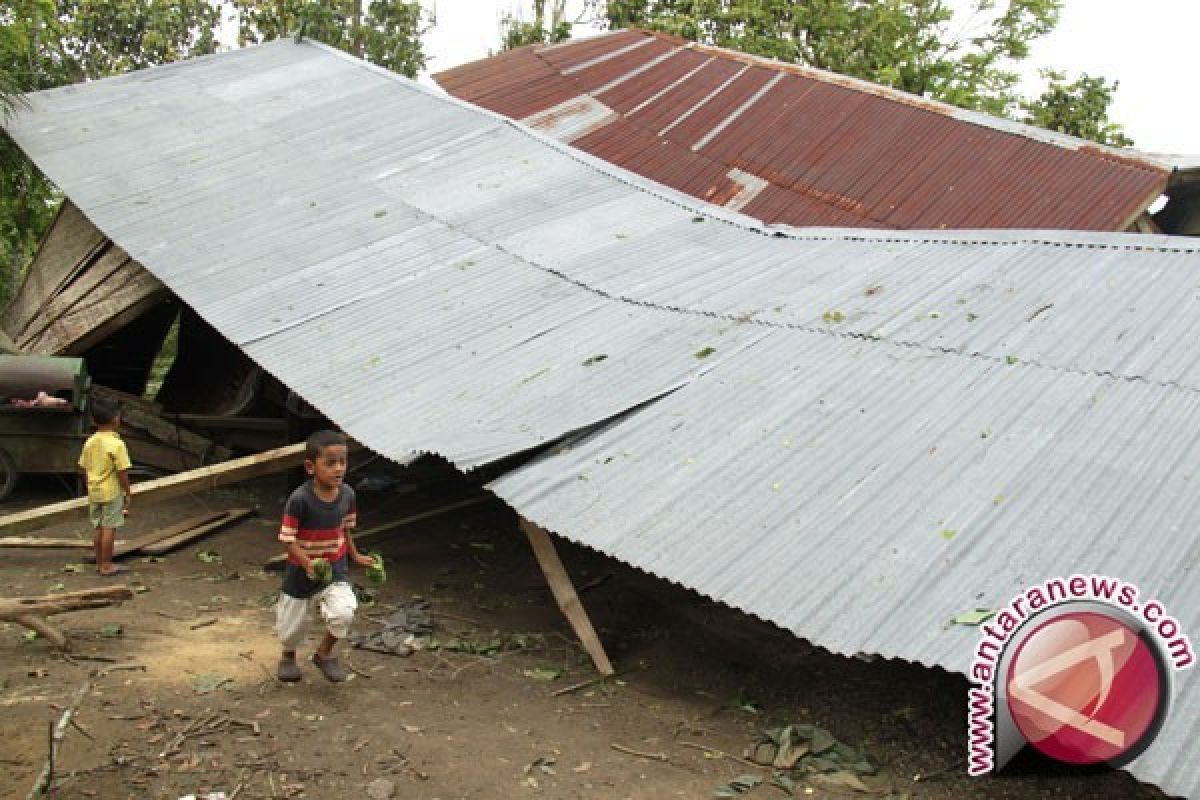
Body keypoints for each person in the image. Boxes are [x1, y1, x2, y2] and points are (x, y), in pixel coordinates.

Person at [275, 429, 374, 683]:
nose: (338, 469)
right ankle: (288, 655)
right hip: (301, 572)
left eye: (342, 462)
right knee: (291, 626)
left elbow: (346, 529)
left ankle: (324, 653)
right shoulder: (300, 500)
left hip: (335, 569)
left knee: (344, 611)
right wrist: (308, 563)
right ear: (311, 466)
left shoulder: (347, 495)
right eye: (330, 463)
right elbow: (287, 539)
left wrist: (355, 555)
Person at [77, 397, 132, 576]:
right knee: (109, 529)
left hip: (94, 492)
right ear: (116, 419)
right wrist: (128, 491)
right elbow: (122, 472)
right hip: (111, 492)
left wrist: (88, 487)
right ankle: (107, 565)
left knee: (99, 528)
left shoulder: (90, 441)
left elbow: (84, 468)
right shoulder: (117, 444)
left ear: (93, 420)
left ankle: (99, 562)